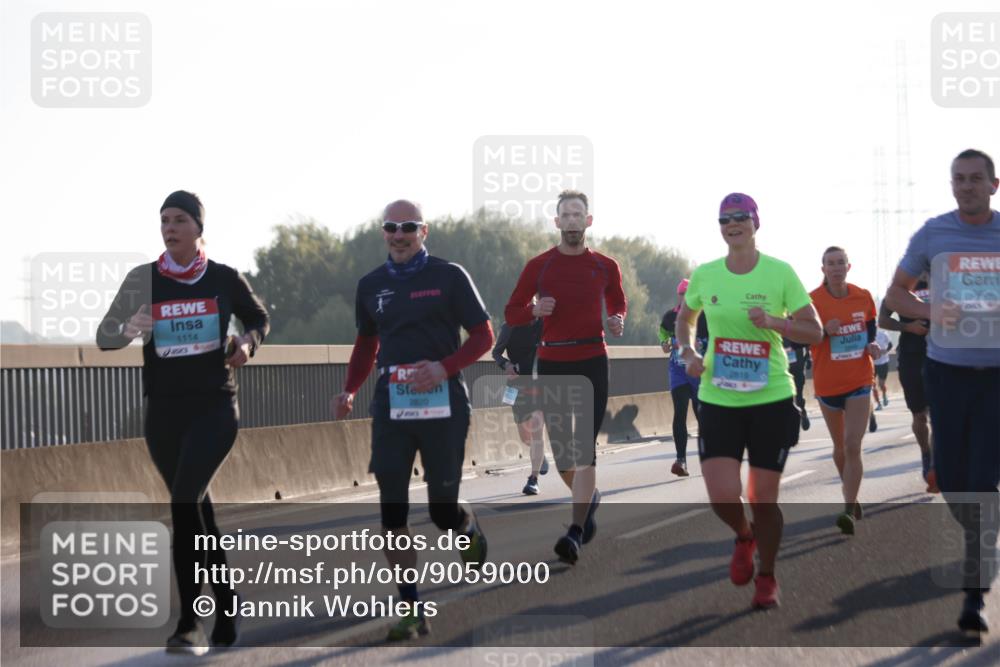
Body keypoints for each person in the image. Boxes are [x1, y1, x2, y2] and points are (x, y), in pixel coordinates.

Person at [97, 190, 269, 655]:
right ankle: (228, 602)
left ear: (198, 228)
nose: (169, 227)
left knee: (181, 500)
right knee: (196, 509)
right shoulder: (143, 280)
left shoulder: (223, 278)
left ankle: (190, 621)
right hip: (164, 413)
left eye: (178, 220)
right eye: (163, 221)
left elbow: (259, 319)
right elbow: (106, 338)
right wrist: (135, 325)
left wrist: (246, 344)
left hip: (214, 407)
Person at [331, 200, 494, 641]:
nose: (398, 234)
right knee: (392, 510)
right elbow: (366, 345)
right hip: (391, 408)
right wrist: (349, 388)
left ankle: (465, 525)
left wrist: (444, 367)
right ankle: (410, 606)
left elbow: (484, 335)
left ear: (423, 231)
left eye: (407, 227)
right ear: (383, 233)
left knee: (441, 511)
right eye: (390, 227)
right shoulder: (371, 285)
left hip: (444, 407)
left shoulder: (449, 276)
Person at [676, 193, 822, 610]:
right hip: (719, 395)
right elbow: (685, 318)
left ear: (756, 223)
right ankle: (744, 535)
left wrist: (775, 321)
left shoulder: (780, 273)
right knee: (722, 495)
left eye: (741, 217)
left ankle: (768, 575)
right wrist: (688, 352)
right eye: (725, 219)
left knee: (763, 499)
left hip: (771, 397)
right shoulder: (706, 275)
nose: (733, 224)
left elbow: (813, 332)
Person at [885, 148, 999, 636]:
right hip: (946, 374)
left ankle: (974, 597)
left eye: (977, 179)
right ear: (952, 185)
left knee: (979, 482)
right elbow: (895, 295)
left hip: (996, 376)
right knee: (952, 481)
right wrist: (932, 314)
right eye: (960, 179)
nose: (968, 186)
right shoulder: (933, 233)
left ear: (994, 185)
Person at [505, 189, 627, 565]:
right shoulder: (539, 266)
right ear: (556, 222)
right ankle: (588, 501)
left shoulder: (606, 265)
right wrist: (534, 310)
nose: (572, 221)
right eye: (566, 216)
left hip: (593, 358)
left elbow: (618, 301)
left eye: (578, 215)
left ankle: (574, 533)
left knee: (584, 450)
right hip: (554, 361)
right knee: (562, 454)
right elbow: (511, 313)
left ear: (588, 221)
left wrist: (617, 320)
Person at [809, 246, 882, 535]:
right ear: (823, 269)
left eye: (841, 263)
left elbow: (871, 324)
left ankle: (848, 509)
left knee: (853, 445)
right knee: (839, 448)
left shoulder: (862, 296)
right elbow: (801, 337)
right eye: (831, 263)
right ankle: (850, 491)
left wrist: (872, 344)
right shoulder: (811, 301)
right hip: (827, 383)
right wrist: (825, 330)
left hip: (859, 379)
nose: (836, 268)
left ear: (848, 267)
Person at [878, 277, 937, 493]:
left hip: (940, 357)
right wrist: (908, 327)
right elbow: (882, 320)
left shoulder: (944, 281)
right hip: (912, 358)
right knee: (919, 416)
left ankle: (935, 465)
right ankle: (925, 453)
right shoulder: (900, 289)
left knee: (938, 415)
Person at [492, 318, 550, 494]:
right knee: (525, 437)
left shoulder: (544, 323)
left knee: (536, 429)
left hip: (541, 385)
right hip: (515, 386)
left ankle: (533, 479)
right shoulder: (509, 325)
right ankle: (539, 457)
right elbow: (496, 353)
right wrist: (506, 364)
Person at [658, 278, 708, 476]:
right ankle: (681, 461)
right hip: (678, 371)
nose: (685, 298)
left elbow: (714, 339)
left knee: (701, 416)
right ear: (678, 296)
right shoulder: (670, 316)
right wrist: (664, 343)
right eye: (682, 295)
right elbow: (663, 334)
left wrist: (703, 345)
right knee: (679, 413)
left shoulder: (704, 316)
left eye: (688, 295)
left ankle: (709, 459)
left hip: (698, 372)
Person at [782, 324, 812, 431]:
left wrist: (808, 357)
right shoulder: (773, 322)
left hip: (797, 365)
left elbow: (806, 338)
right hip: (781, 368)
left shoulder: (795, 321)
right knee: (784, 397)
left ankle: (802, 411)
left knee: (798, 394)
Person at [871, 328, 892, 410]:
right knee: (873, 385)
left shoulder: (884, 333)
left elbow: (890, 345)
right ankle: (879, 404)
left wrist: (885, 351)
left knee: (881, 384)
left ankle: (884, 395)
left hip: (883, 362)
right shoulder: (868, 334)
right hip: (873, 363)